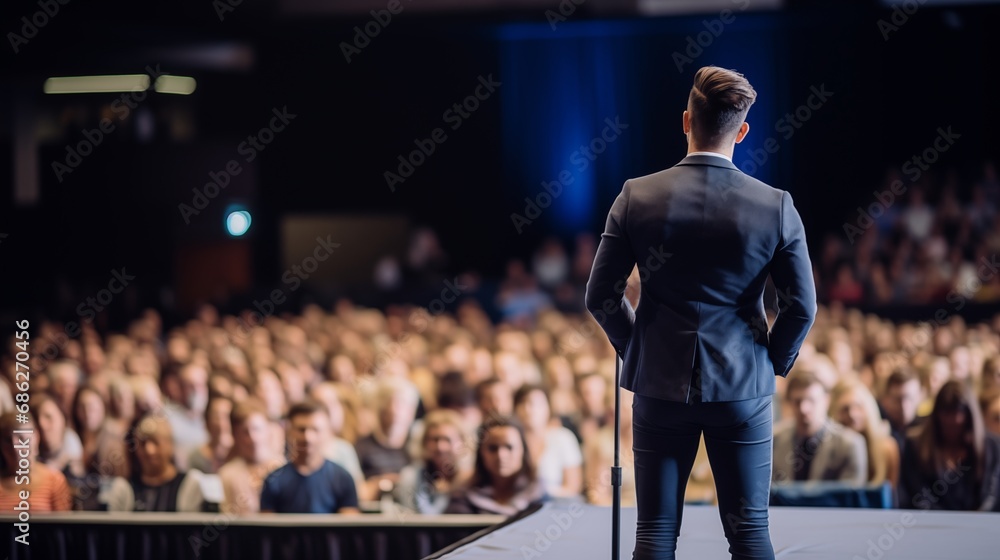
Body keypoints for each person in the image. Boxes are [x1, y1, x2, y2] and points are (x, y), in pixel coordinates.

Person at [586, 66, 816, 559]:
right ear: (744, 130)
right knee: (750, 534)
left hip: (658, 387)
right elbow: (802, 306)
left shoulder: (636, 195)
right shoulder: (774, 205)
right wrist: (769, 361)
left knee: (654, 534)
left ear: (686, 120)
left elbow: (600, 294)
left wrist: (638, 349)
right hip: (743, 390)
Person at [898, 381, 1000, 511]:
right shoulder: (915, 447)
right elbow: (917, 496)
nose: (954, 420)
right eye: (947, 412)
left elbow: (991, 497)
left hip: (980, 526)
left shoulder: (991, 448)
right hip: (930, 525)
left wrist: (971, 523)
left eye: (959, 412)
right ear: (937, 415)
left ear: (970, 417)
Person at [260, 400, 360, 514]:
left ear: (327, 432)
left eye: (315, 430)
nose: (307, 437)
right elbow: (267, 527)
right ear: (289, 432)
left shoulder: (342, 478)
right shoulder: (274, 479)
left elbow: (349, 527)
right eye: (301, 430)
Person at [773, 370, 867, 485]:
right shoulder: (774, 440)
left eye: (811, 400)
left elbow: (849, 497)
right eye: (797, 402)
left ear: (826, 401)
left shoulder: (849, 444)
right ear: (789, 403)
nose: (804, 408)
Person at [444, 415, 547, 515]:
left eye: (509, 447)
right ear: (481, 453)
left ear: (523, 450)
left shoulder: (541, 496)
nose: (501, 455)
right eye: (493, 448)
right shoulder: (464, 498)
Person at [104, 413, 206, 512]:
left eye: (155, 442)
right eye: (143, 443)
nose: (149, 450)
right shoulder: (124, 488)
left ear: (170, 445)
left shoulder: (189, 484)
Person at [393, 409, 473, 514]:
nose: (440, 447)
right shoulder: (411, 477)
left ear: (462, 443)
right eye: (434, 440)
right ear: (424, 443)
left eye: (447, 440)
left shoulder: (472, 479)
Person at [512, 384, 583, 498]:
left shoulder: (563, 438)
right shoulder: (510, 440)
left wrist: (545, 493)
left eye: (535, 404)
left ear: (548, 407)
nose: (528, 409)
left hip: (556, 506)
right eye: (522, 403)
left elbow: (573, 486)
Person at [218, 398, 285, 514]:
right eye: (245, 432)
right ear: (235, 435)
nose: (252, 438)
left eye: (257, 429)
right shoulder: (227, 474)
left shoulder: (283, 468)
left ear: (268, 430)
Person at [828, 379, 899, 488]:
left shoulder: (887, 449)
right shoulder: (827, 450)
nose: (852, 414)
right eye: (845, 409)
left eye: (857, 406)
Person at [0, 411, 73, 512]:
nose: (15, 447)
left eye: (22, 439)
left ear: (36, 437)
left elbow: (64, 525)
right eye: (8, 440)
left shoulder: (54, 480)